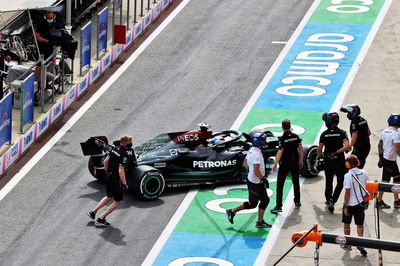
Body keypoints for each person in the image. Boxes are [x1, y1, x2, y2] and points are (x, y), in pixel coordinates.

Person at [87, 134, 136, 227]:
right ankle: (100, 219)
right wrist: (125, 184)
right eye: (130, 142)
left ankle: (93, 212)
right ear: (125, 143)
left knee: (109, 196)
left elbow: (105, 162)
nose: (131, 144)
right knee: (118, 201)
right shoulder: (124, 154)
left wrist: (108, 172)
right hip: (116, 179)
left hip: (109, 176)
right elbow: (121, 170)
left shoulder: (114, 149)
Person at [226, 132, 272, 228]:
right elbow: (256, 170)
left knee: (265, 200)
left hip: (255, 180)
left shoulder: (252, 150)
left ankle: (260, 221)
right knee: (252, 204)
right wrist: (263, 179)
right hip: (255, 182)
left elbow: (245, 162)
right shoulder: (257, 155)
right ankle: (232, 211)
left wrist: (248, 172)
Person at [317, 112, 350, 213]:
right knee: (340, 182)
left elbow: (319, 150)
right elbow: (347, 146)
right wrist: (337, 152)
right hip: (339, 160)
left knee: (329, 181)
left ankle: (328, 200)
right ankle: (333, 200)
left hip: (328, 161)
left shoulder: (324, 134)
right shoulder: (342, 132)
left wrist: (320, 157)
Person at [270, 119, 304, 214]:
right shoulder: (296, 137)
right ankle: (297, 201)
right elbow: (301, 150)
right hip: (294, 162)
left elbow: (280, 152)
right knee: (295, 181)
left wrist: (275, 163)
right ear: (290, 126)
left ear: (282, 127)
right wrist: (301, 160)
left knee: (280, 184)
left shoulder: (282, 139)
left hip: (285, 163)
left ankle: (278, 206)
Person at [341, 154, 368, 256]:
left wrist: (346, 206)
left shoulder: (347, 176)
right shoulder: (364, 172)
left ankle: (348, 244)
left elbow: (347, 192)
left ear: (348, 164)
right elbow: (367, 187)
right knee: (360, 225)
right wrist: (367, 201)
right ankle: (360, 243)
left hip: (350, 204)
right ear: (358, 162)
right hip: (361, 203)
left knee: (347, 224)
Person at [376, 114, 400, 209]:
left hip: (386, 159)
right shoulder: (396, 134)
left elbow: (380, 145)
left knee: (397, 179)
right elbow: (397, 150)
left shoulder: (384, 132)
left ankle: (397, 200)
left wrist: (380, 158)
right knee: (385, 181)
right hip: (390, 160)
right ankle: (379, 201)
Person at [340, 104, 371, 168]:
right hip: (367, 146)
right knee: (361, 163)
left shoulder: (354, 123)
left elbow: (354, 136)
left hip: (359, 147)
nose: (348, 115)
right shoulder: (363, 119)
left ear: (353, 113)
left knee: (351, 164)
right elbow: (369, 133)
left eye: (348, 113)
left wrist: (349, 146)